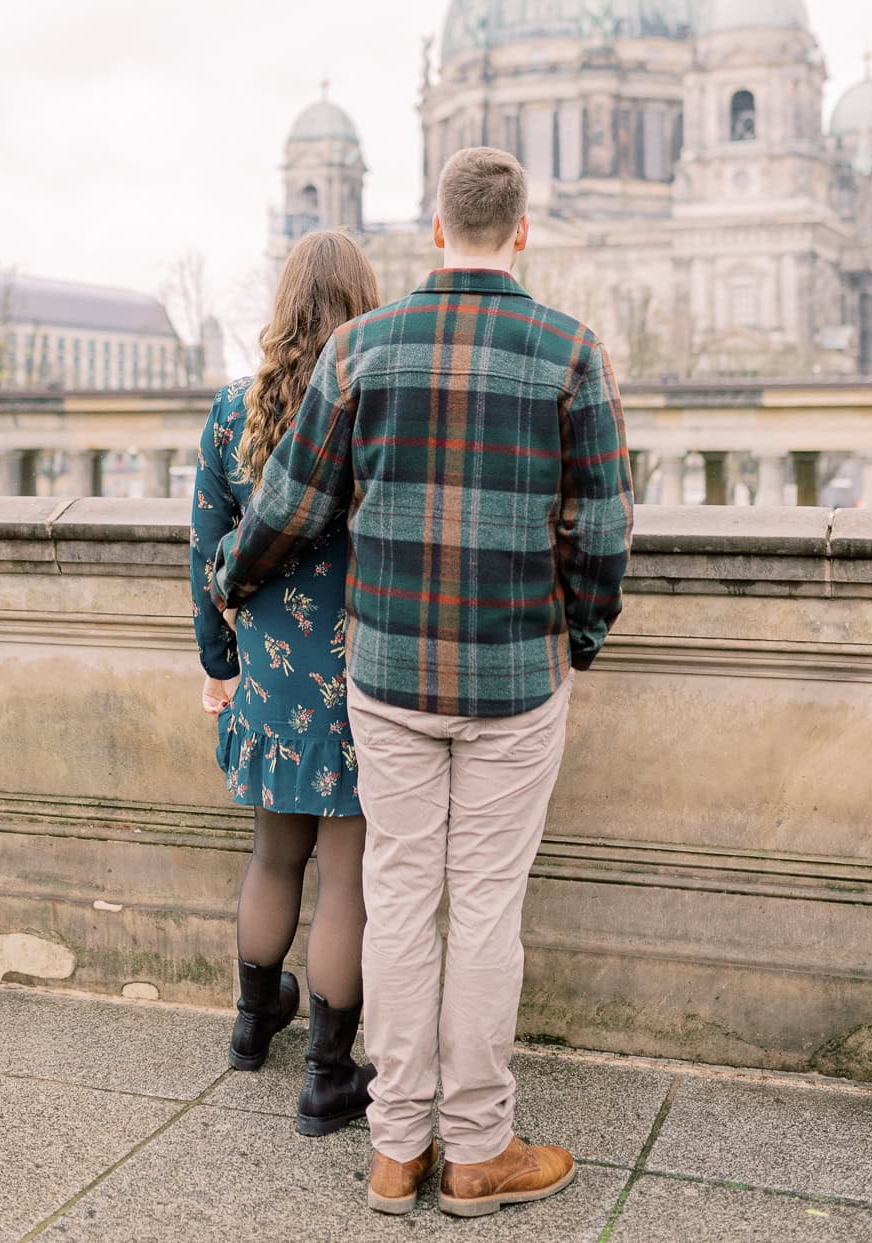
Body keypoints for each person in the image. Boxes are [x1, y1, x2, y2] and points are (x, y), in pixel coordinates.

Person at [211, 146, 633, 1218]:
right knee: (485, 910)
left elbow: (291, 508)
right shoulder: (572, 354)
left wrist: (231, 580)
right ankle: (479, 1148)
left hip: (390, 678)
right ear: (522, 230)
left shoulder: (363, 349)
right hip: (512, 678)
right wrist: (574, 638)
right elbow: (604, 532)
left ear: (436, 231)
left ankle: (396, 1149)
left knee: (398, 900)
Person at [189, 227, 380, 1137]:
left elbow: (204, 552)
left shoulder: (234, 410)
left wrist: (218, 665)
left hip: (267, 678)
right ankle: (327, 1076)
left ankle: (251, 1023)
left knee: (274, 856)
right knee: (346, 876)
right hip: (356, 676)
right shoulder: (375, 405)